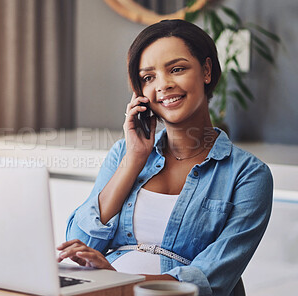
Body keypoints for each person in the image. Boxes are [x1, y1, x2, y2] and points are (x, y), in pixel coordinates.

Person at [57, 19, 273, 296]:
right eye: (149, 77)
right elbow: (79, 244)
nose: (163, 85)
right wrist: (134, 160)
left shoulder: (248, 175)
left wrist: (122, 281)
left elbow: (211, 278)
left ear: (206, 71)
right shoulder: (124, 154)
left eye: (177, 69)